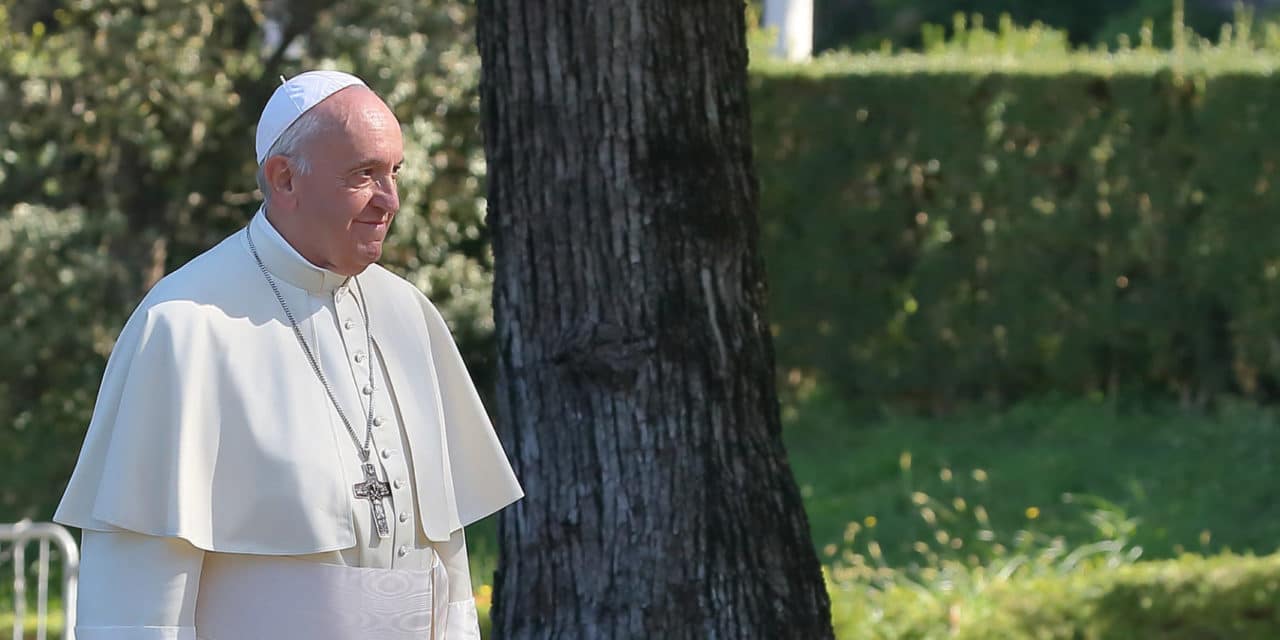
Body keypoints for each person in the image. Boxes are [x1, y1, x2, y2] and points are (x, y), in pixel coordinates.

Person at [53, 70, 523, 639]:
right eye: (363, 175)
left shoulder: (409, 316)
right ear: (284, 179)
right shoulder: (182, 327)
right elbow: (134, 605)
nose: (390, 201)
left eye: (394, 172)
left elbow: (444, 570)